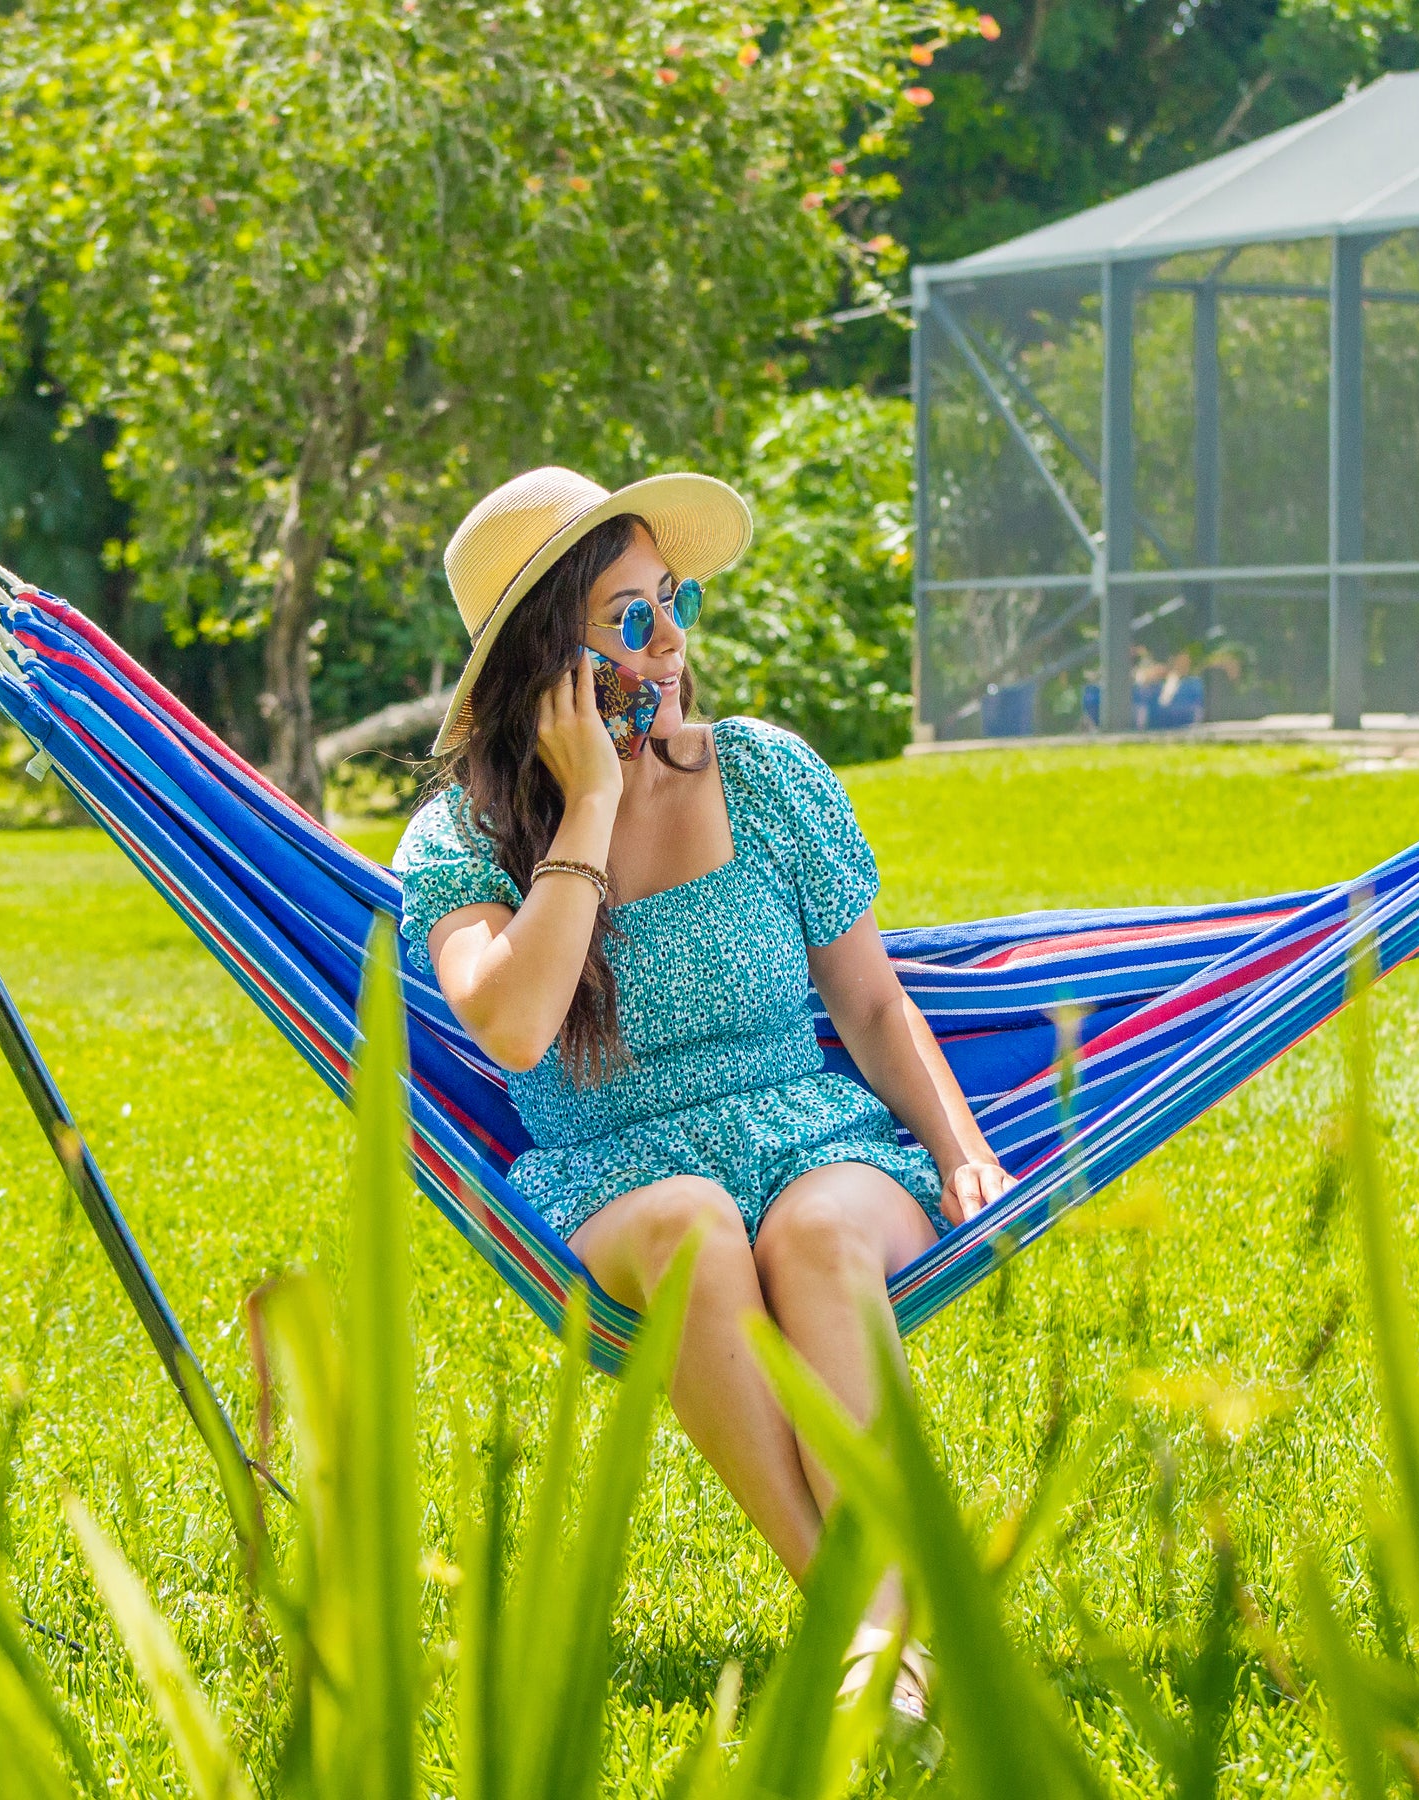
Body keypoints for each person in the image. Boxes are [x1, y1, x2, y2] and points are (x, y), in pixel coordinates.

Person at [394, 466, 1011, 1720]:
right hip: (615, 1181)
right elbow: (510, 1025)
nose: (671, 640)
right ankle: (881, 1632)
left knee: (821, 1230)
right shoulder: (457, 844)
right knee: (692, 1226)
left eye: (672, 602)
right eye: (631, 618)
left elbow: (875, 1007)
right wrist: (593, 807)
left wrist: (960, 1148)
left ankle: (874, 1655)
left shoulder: (768, 775)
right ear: (545, 660)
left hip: (812, 1138)